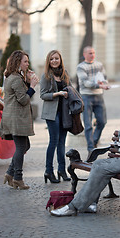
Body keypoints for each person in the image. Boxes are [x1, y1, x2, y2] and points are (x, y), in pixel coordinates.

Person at [50, 86, 120, 217]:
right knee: (99, 165)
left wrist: (119, 149)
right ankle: (90, 204)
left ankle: (73, 207)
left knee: (100, 166)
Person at [0, 50, 39, 190]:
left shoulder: (16, 76)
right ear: (18, 62)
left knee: (24, 146)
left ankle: (10, 173)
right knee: (22, 147)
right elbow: (23, 100)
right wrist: (32, 86)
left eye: (28, 61)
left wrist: (27, 82)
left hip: (15, 117)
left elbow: (22, 95)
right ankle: (18, 178)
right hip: (16, 118)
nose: (28, 64)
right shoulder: (15, 78)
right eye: (25, 62)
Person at [40, 50, 71, 184]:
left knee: (62, 142)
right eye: (51, 59)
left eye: (56, 58)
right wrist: (56, 94)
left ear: (60, 60)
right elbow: (42, 95)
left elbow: (70, 90)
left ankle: (62, 170)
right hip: (52, 113)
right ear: (48, 61)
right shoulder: (46, 76)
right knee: (53, 141)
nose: (54, 61)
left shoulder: (65, 74)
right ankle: (48, 170)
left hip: (64, 112)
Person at [77, 46, 110, 153]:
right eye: (90, 53)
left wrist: (105, 84)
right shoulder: (81, 67)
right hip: (86, 96)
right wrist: (99, 85)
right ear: (84, 54)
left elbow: (104, 78)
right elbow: (86, 83)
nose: (92, 55)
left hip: (99, 96)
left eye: (93, 53)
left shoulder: (99, 65)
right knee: (88, 124)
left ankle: (94, 141)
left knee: (102, 121)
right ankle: (91, 148)